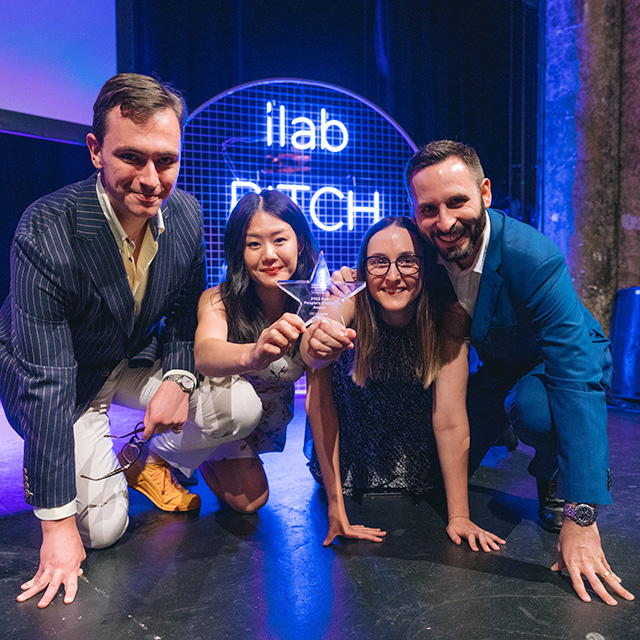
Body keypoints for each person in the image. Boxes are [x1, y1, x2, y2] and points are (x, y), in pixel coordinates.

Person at [0, 73, 258, 609]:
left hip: (128, 359)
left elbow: (187, 312)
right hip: (58, 377)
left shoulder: (185, 214)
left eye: (165, 160)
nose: (150, 178)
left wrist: (180, 377)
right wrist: (56, 524)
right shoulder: (46, 231)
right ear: (96, 150)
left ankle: (142, 463)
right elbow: (47, 379)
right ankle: (65, 469)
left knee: (237, 405)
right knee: (101, 531)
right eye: (132, 158)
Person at [403, 140, 634, 605]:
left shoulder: (533, 255)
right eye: (429, 209)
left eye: (457, 202)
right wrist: (347, 287)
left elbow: (575, 375)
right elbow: (381, 272)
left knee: (536, 410)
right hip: (503, 363)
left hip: (562, 362)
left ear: (485, 193)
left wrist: (581, 513)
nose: (444, 222)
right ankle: (505, 426)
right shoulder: (428, 250)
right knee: (433, 471)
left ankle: (553, 479)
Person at [192, 188, 385, 545]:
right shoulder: (219, 300)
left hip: (265, 421)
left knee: (250, 501)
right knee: (250, 500)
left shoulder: (314, 305)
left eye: (280, 239)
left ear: (299, 243)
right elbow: (205, 353)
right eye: (253, 244)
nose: (269, 255)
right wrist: (254, 353)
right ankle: (193, 455)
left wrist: (336, 508)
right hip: (218, 416)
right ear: (238, 251)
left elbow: (320, 403)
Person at [303, 216, 505, 551]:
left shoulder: (447, 315)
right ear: (363, 269)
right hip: (353, 467)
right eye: (379, 262)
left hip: (420, 470)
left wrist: (459, 516)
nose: (393, 275)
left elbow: (451, 418)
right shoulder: (347, 298)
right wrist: (336, 510)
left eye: (407, 261)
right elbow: (318, 366)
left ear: (426, 266)